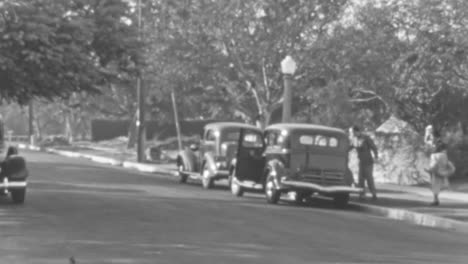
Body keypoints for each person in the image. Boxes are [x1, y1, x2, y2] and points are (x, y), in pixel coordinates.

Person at [349, 125, 379, 200]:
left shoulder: (365, 138)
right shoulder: (354, 139)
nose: (351, 134)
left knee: (369, 178)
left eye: (352, 132)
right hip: (361, 162)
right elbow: (349, 147)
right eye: (351, 133)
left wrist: (376, 157)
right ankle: (362, 195)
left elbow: (374, 147)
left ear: (357, 131)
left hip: (368, 161)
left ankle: (374, 194)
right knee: (360, 179)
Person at [425, 141, 455, 206]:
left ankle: (435, 200)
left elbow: (434, 164)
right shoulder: (444, 155)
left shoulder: (434, 155)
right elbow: (447, 163)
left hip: (436, 173)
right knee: (438, 186)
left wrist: (429, 170)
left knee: (435, 187)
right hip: (442, 173)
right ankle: (436, 200)